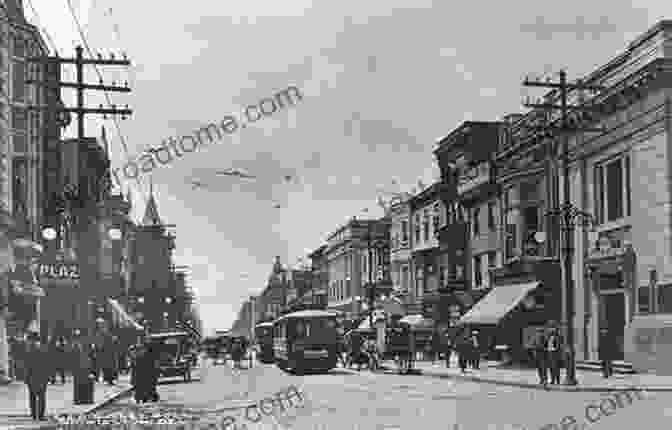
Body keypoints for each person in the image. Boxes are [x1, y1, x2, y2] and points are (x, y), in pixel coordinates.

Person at [24, 332, 52, 421]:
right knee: (40, 396)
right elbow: (47, 364)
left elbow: (27, 365)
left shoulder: (28, 350)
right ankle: (39, 415)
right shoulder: (42, 349)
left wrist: (26, 377)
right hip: (40, 377)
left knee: (33, 396)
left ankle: (35, 415)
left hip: (33, 377)